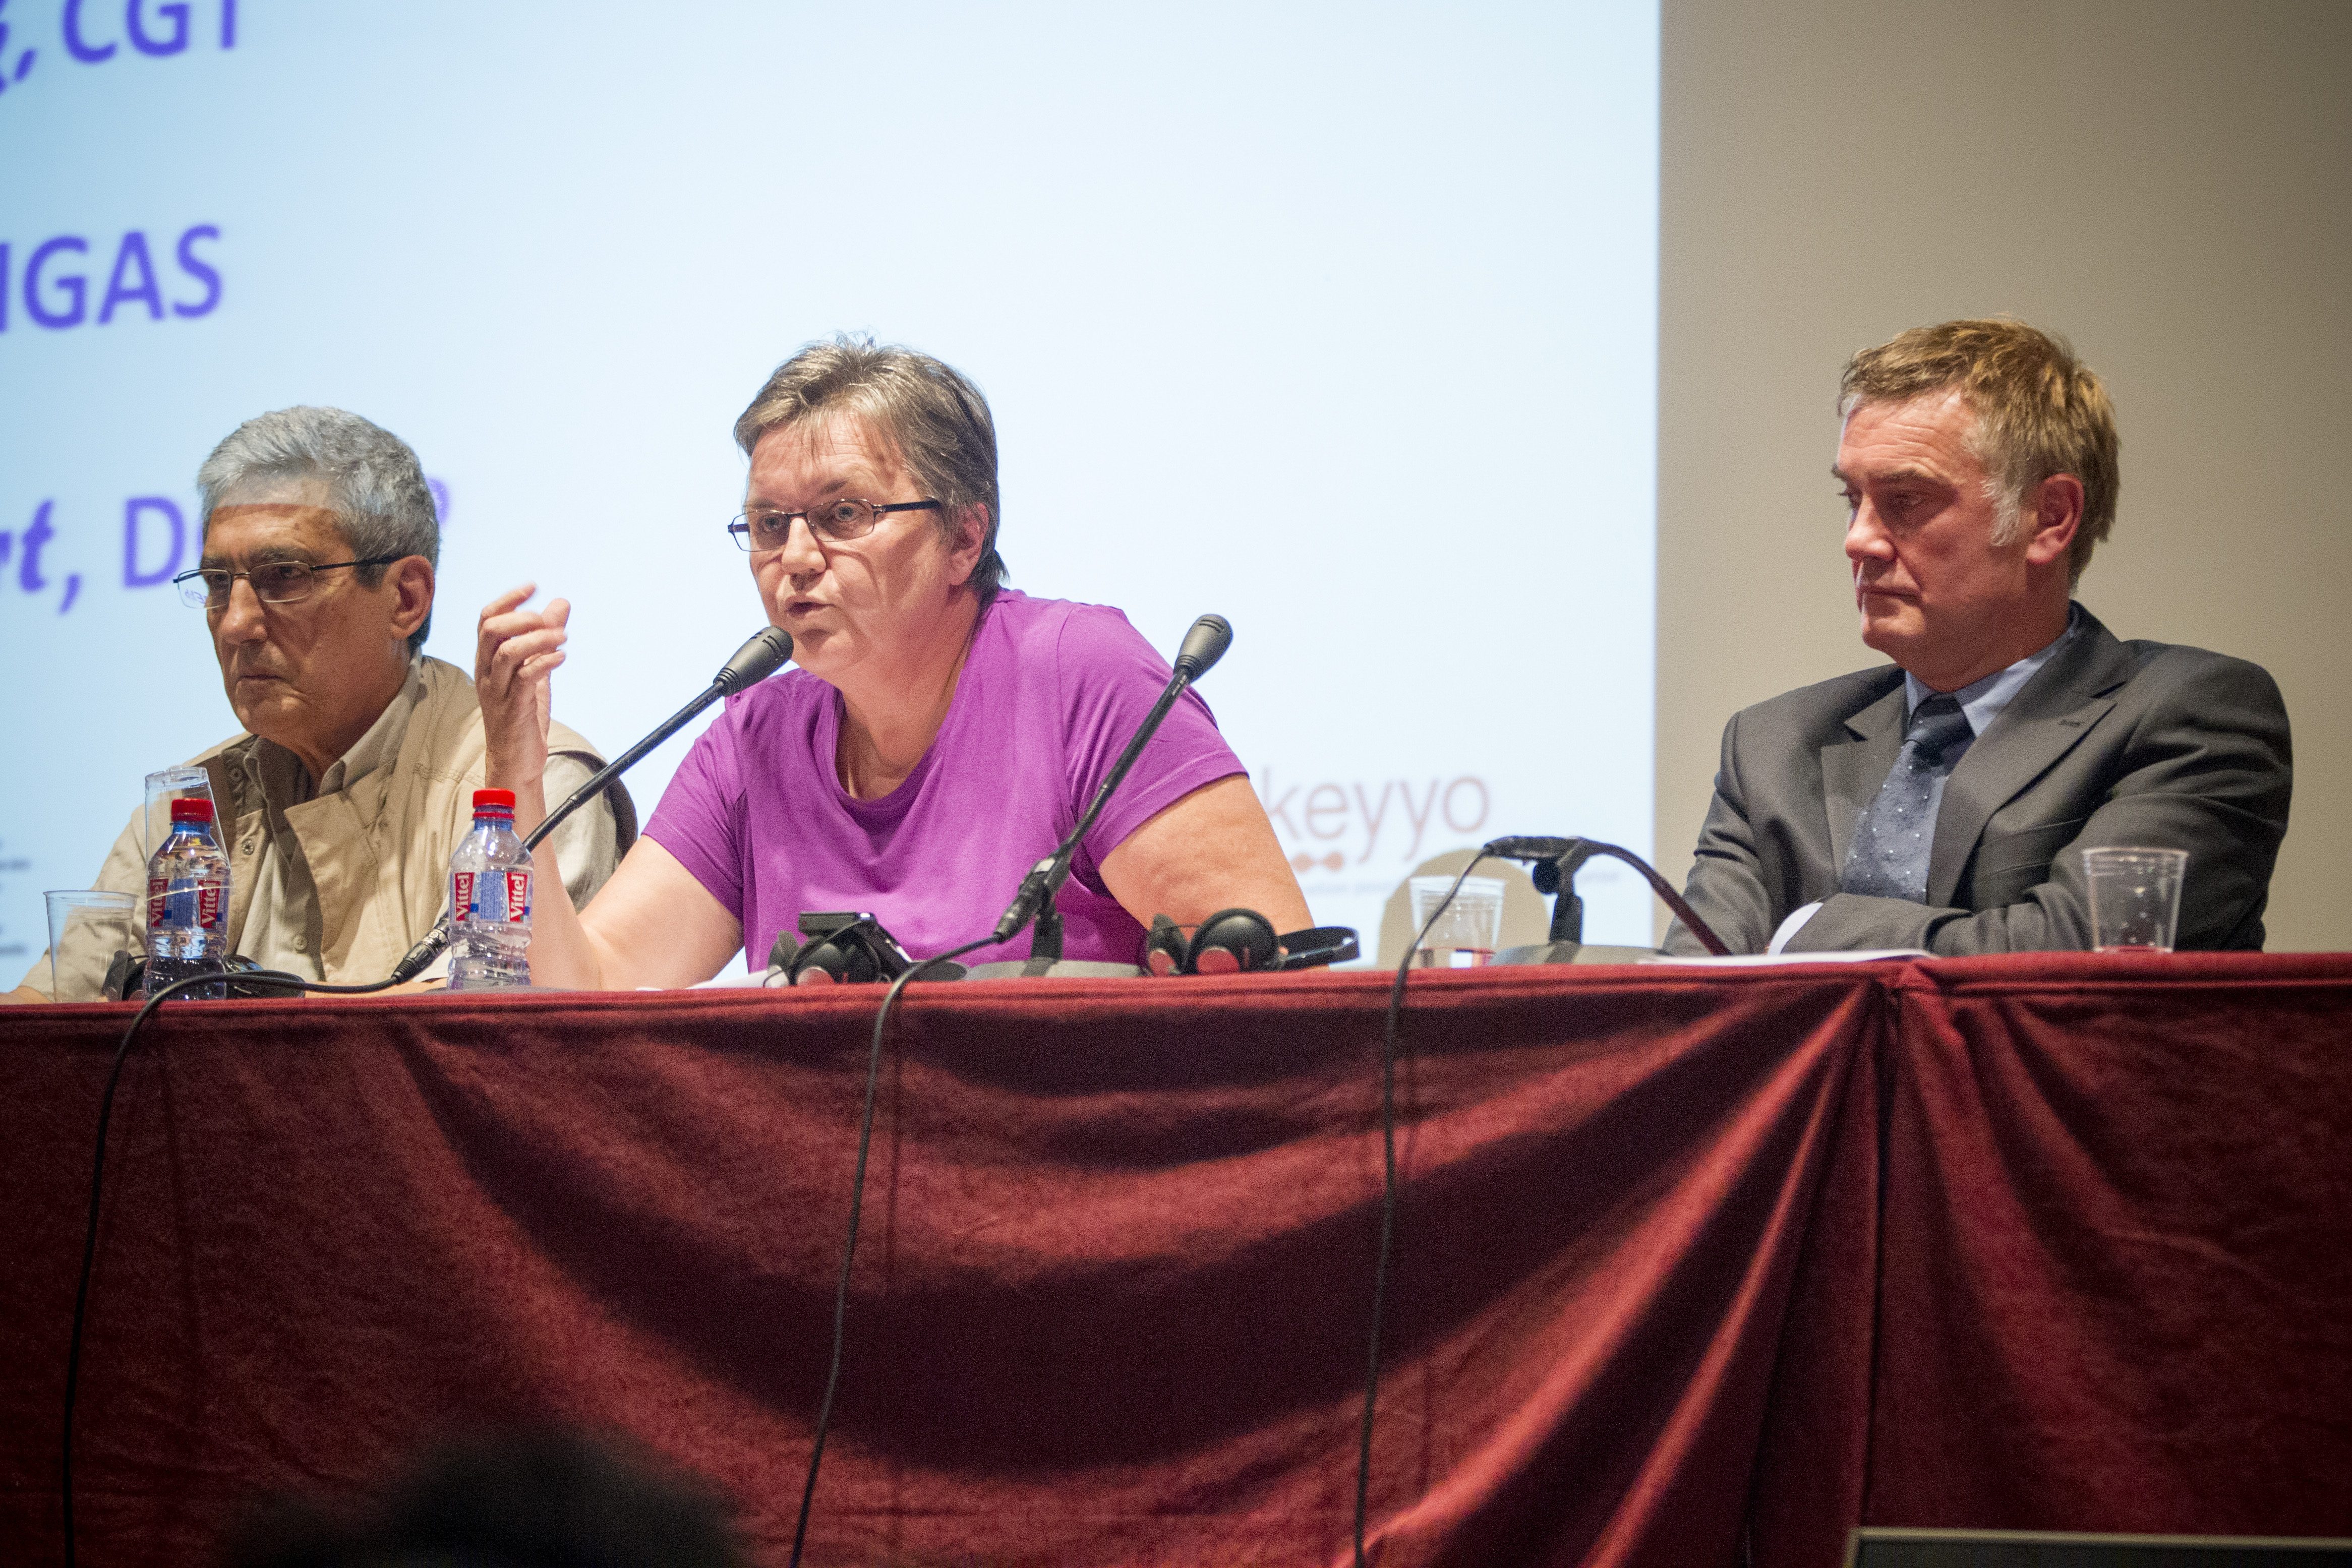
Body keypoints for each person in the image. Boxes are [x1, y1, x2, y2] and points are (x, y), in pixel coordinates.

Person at [475, 336, 1311, 987]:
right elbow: (577, 985)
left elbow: (1275, 971)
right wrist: (512, 775)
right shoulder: (751, 739)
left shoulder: (1078, 678)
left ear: (963, 538)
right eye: (768, 524)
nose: (794, 559)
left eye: (842, 514)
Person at [1666, 318, 2291, 955]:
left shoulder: (2190, 715)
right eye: (1852, 498)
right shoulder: (1771, 746)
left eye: (1905, 499)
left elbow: (2079, 956)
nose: (1857, 539)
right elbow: (1688, 1002)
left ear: (2048, 518)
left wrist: (1807, 934)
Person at [6, 407, 631, 1001]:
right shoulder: (192, 807)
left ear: (405, 598)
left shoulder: (532, 785)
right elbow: (53, 1015)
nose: (235, 624)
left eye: (285, 575)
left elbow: (500, 1045)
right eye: (219, 583)